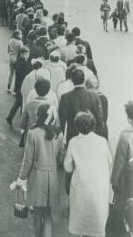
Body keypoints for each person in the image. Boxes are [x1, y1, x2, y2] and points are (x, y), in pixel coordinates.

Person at [64, 111, 112, 237]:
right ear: (93, 125)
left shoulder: (74, 142)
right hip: (98, 186)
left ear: (77, 126)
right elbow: (109, 161)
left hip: (81, 186)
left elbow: (67, 167)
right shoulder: (102, 141)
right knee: (96, 221)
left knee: (79, 220)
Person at [17, 103, 60, 237]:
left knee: (37, 214)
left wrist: (22, 177)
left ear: (39, 116)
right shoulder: (58, 133)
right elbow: (59, 153)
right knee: (48, 213)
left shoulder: (33, 133)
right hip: (52, 176)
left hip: (38, 177)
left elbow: (28, 159)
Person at [59, 68, 104, 144]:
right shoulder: (94, 96)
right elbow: (100, 118)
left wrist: (61, 139)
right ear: (84, 80)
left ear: (72, 81)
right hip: (91, 135)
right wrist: (97, 136)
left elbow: (62, 120)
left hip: (73, 136)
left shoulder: (65, 97)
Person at [111, 101, 133, 234]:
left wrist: (114, 182)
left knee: (128, 215)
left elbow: (119, 162)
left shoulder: (125, 136)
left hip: (129, 182)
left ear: (129, 118)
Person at [6, 46, 31, 126]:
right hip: (21, 87)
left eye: (28, 54)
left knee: (18, 103)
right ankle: (20, 122)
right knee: (21, 104)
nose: (28, 55)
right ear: (22, 54)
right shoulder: (24, 64)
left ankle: (10, 118)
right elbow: (26, 75)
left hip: (18, 86)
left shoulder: (18, 62)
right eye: (26, 54)